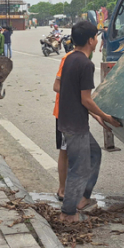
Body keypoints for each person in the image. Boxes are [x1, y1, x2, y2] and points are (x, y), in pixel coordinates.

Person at [56, 21, 121, 223]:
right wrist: (107, 116)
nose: (97, 41)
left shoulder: (68, 59)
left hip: (66, 120)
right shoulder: (86, 64)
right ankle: (68, 213)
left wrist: (96, 116)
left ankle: (83, 198)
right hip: (76, 125)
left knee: (94, 153)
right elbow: (86, 99)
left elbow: (72, 94)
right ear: (91, 40)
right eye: (96, 38)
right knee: (80, 168)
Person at [52, 51, 71, 201]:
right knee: (65, 152)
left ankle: (71, 187)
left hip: (76, 113)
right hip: (64, 113)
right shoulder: (68, 58)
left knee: (74, 151)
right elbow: (56, 85)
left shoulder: (84, 58)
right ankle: (62, 189)